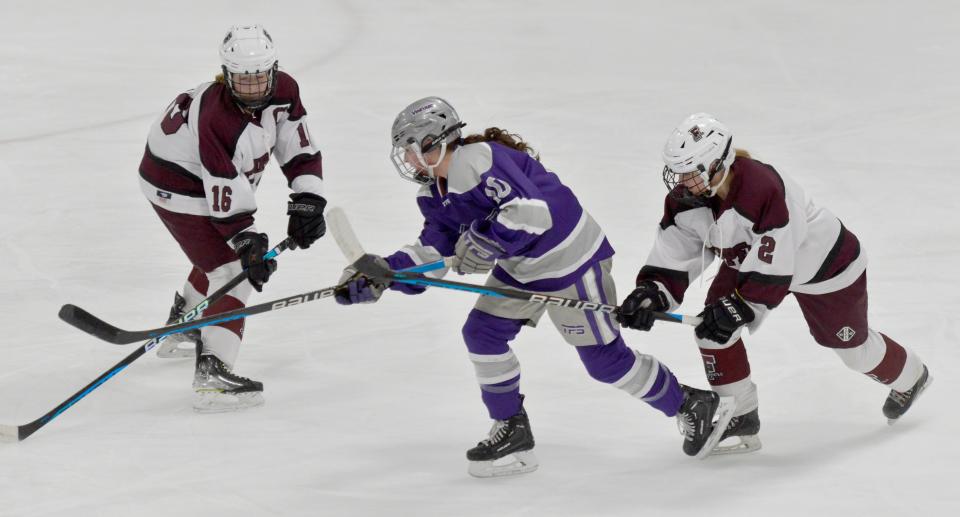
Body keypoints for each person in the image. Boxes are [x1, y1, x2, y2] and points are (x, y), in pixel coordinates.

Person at [334, 97, 735, 477]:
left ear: (432, 141)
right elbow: (434, 251)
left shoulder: (479, 160)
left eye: (409, 148)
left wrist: (485, 240)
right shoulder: (433, 194)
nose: (405, 158)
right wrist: (387, 273)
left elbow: (532, 214)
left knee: (604, 362)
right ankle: (512, 429)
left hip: (570, 260)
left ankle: (691, 403)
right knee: (482, 333)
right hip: (523, 265)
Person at [618, 112, 932, 455]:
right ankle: (739, 414)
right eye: (677, 172)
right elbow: (675, 251)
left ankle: (911, 375)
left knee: (854, 352)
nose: (680, 181)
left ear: (717, 165)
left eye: (690, 172)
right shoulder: (685, 200)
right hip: (753, 264)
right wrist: (652, 292)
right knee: (711, 329)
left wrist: (741, 306)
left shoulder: (762, 188)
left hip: (825, 268)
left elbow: (779, 259)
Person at [138, 25, 327, 412]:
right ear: (226, 75)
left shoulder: (286, 90)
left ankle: (186, 323)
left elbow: (297, 142)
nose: (254, 88)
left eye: (260, 77)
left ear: (274, 69)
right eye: (243, 79)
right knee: (230, 269)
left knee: (214, 256)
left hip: (202, 178)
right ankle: (213, 373)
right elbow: (222, 186)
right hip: (175, 182)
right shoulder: (216, 118)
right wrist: (245, 239)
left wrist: (308, 198)